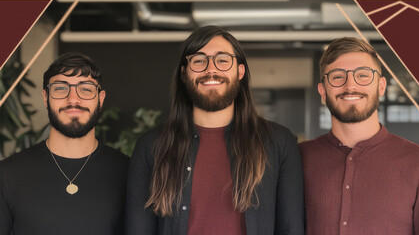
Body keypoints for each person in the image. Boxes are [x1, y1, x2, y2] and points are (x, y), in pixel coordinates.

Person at [126, 26, 304, 235]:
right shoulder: (152, 146)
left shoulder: (279, 142)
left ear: (240, 71)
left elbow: (291, 228)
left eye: (222, 60)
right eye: (199, 60)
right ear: (184, 73)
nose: (211, 69)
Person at [300, 37, 419, 235]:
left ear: (381, 86)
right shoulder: (297, 158)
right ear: (322, 91)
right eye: (337, 77)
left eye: (363, 75)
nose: (350, 85)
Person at [0, 53, 129, 235]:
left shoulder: (129, 173)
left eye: (85, 89)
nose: (73, 99)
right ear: (46, 98)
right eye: (60, 88)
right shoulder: (7, 174)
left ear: (100, 99)